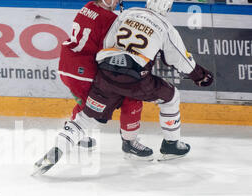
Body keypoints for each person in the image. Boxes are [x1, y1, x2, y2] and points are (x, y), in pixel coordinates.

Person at [34, 0, 213, 174]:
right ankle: (170, 145)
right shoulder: (165, 27)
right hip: (136, 81)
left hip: (105, 75)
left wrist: (108, 68)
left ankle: (58, 147)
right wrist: (200, 76)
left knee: (86, 117)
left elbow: (107, 43)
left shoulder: (128, 13)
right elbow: (180, 60)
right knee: (171, 96)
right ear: (168, 7)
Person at [57, 1, 151, 154]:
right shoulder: (110, 19)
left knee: (86, 104)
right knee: (123, 98)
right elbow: (110, 48)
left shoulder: (87, 7)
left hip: (66, 66)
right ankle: (129, 141)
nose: (117, 2)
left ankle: (76, 133)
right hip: (83, 72)